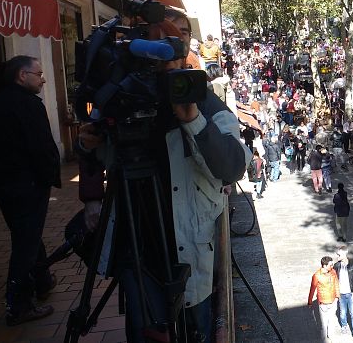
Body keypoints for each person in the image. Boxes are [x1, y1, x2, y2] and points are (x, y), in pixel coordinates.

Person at [77, 20, 250, 342]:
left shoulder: (202, 99)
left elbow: (232, 167)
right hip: (137, 245)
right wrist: (87, 147)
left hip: (189, 248)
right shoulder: (123, 99)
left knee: (196, 329)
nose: (163, 68)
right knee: (146, 330)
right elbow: (100, 156)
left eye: (172, 52)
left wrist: (192, 119)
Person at [0, 55, 61, 325]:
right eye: (39, 74)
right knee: (25, 242)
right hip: (28, 184)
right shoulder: (28, 105)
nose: (43, 79)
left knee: (27, 234)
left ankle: (42, 280)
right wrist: (49, 176)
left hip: (3, 186)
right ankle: (18, 305)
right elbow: (41, 147)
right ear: (22, 76)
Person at [307, 256, 340, 342]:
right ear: (324, 266)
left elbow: (336, 284)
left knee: (331, 320)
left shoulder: (333, 272)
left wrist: (337, 297)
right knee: (324, 322)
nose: (332, 266)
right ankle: (324, 339)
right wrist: (310, 302)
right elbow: (312, 289)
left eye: (332, 264)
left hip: (333, 300)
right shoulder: (316, 276)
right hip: (323, 303)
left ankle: (331, 336)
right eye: (330, 265)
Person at [333, 246, 353, 342]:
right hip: (341, 294)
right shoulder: (336, 265)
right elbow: (333, 279)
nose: (337, 256)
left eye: (339, 254)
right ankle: (344, 325)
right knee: (342, 312)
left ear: (345, 253)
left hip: (350, 294)